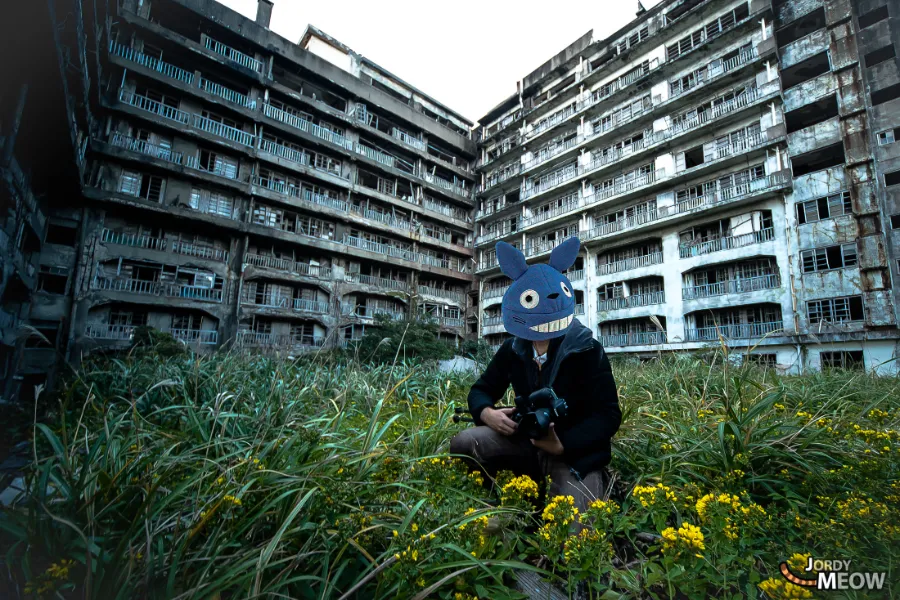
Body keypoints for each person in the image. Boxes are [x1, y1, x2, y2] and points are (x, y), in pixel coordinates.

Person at [450, 237, 621, 518]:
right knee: (464, 442)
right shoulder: (514, 347)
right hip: (525, 442)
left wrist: (563, 443)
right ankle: (508, 496)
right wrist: (487, 413)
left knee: (572, 528)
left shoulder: (587, 348)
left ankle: (589, 485)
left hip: (574, 453)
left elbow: (608, 416)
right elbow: (481, 389)